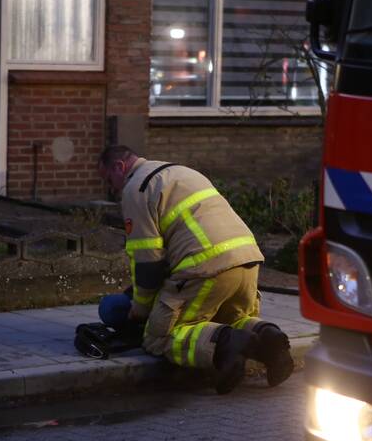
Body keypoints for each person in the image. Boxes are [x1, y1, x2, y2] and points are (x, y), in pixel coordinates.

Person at [96, 145, 293, 394]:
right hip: (247, 259)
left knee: (158, 337)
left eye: (109, 180)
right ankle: (269, 340)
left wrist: (140, 310)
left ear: (119, 167)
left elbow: (148, 263)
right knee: (232, 319)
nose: (112, 188)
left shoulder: (137, 189)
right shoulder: (180, 172)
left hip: (205, 268)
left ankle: (224, 344)